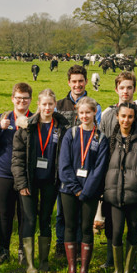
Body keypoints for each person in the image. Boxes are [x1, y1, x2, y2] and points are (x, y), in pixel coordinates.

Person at [11, 89, 69, 273]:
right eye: (44, 104)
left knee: (45, 220)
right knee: (28, 219)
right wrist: (21, 184)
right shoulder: (27, 127)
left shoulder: (61, 128)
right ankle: (29, 264)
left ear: (55, 105)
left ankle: (44, 262)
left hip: (51, 182)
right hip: (29, 182)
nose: (47, 108)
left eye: (50, 104)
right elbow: (17, 158)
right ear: (38, 105)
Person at [97, 70, 137, 273]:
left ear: (134, 89)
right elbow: (102, 144)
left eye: (129, 87)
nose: (125, 91)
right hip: (112, 177)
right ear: (116, 89)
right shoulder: (108, 115)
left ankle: (130, 264)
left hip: (133, 176)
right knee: (111, 223)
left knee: (133, 225)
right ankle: (111, 259)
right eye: (122, 87)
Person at [57, 97, 109, 273]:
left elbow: (100, 168)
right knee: (70, 226)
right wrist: (76, 188)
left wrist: (86, 191)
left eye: (88, 112)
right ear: (77, 114)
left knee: (87, 227)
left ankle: (84, 269)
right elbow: (63, 165)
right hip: (69, 190)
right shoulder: (70, 135)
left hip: (90, 191)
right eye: (81, 113)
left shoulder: (101, 138)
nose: (85, 116)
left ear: (95, 113)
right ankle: (72, 267)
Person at [0, 82, 33, 267]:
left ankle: (22, 252)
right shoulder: (2, 118)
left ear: (30, 100)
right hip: (4, 174)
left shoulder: (35, 119)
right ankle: (3, 252)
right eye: (18, 98)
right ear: (12, 98)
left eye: (25, 98)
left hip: (26, 176)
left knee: (24, 215)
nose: (21, 101)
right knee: (5, 214)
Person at [54, 64, 101, 260]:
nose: (77, 85)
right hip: (64, 163)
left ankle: (80, 248)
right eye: (74, 81)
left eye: (81, 81)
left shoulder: (95, 105)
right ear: (68, 82)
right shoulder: (59, 105)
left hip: (86, 164)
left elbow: (97, 133)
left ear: (85, 81)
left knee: (82, 213)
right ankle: (60, 245)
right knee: (62, 210)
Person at [103, 102, 137, 273]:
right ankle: (117, 270)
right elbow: (104, 165)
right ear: (117, 117)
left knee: (133, 230)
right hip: (114, 195)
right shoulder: (111, 141)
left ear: (134, 118)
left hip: (135, 195)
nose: (126, 120)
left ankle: (128, 271)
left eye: (130, 117)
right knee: (115, 232)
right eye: (123, 116)